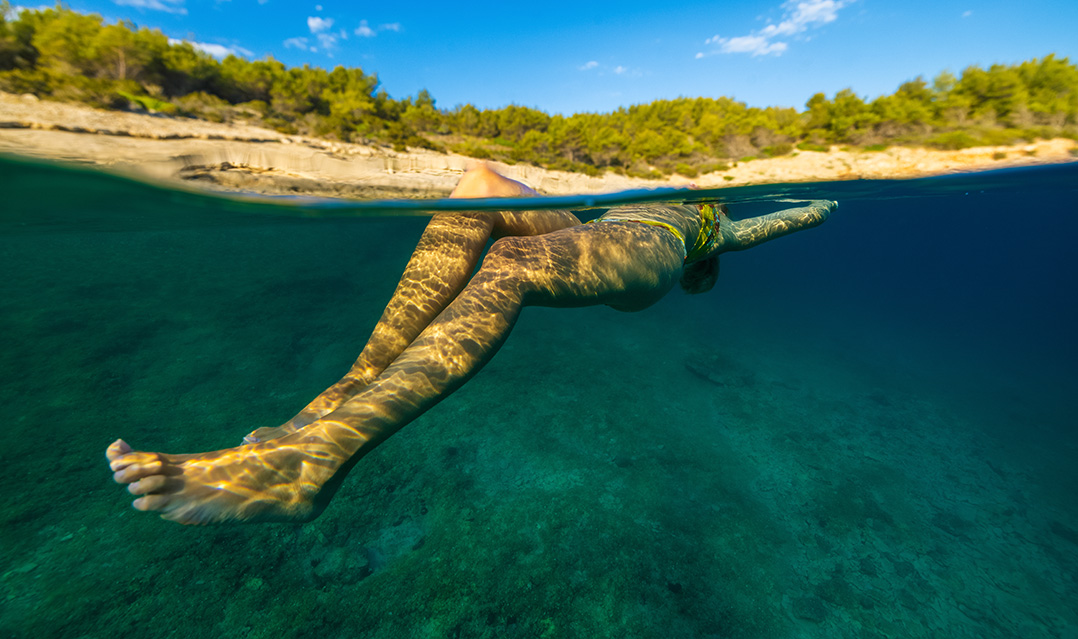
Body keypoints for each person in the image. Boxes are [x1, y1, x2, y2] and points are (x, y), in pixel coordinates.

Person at [107, 163, 836, 525]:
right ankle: (332, 399)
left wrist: (815, 206)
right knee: (479, 183)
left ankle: (314, 460)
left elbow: (767, 227)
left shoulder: (711, 221)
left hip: (649, 252)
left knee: (511, 265)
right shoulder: (648, 183)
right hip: (595, 231)